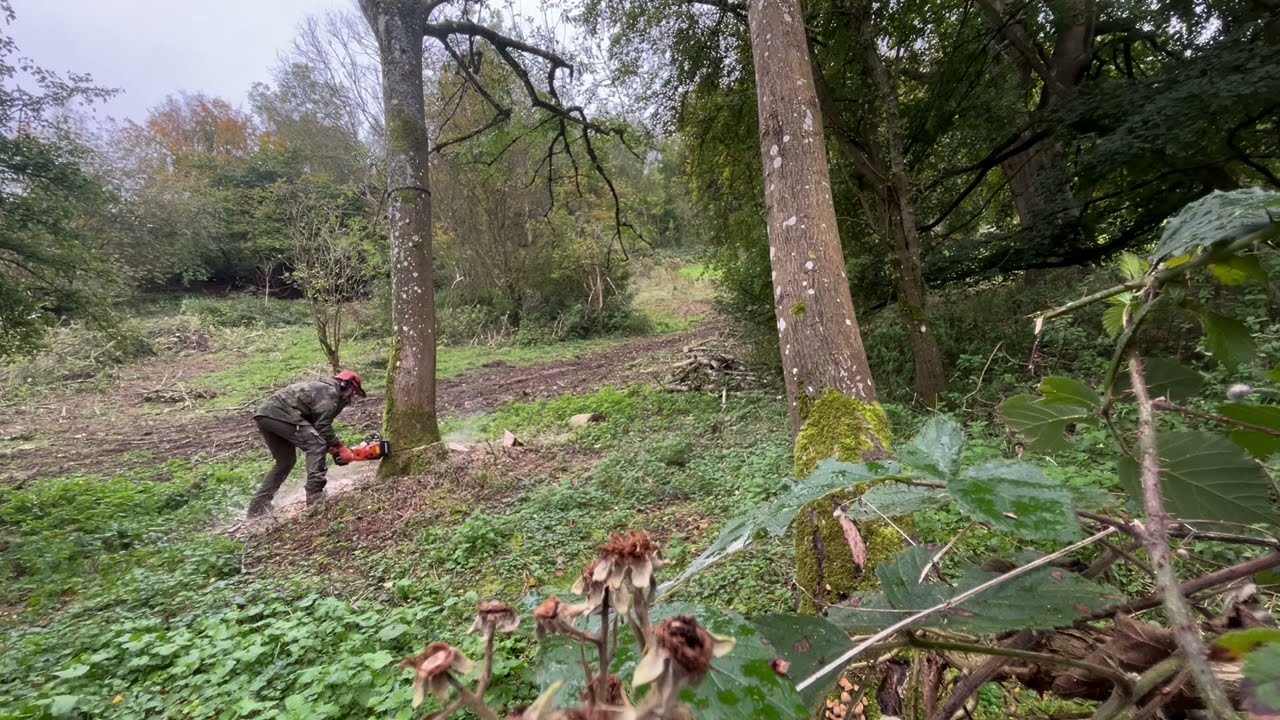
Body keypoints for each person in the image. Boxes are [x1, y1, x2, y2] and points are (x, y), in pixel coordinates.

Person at [246, 370, 367, 518]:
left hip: (266, 416)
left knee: (285, 461)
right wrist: (341, 448)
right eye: (352, 392)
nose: (350, 397)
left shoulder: (321, 388)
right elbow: (322, 426)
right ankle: (315, 496)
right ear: (345, 385)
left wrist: (331, 447)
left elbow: (313, 423)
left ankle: (258, 506)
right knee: (316, 445)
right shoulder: (330, 392)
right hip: (280, 415)